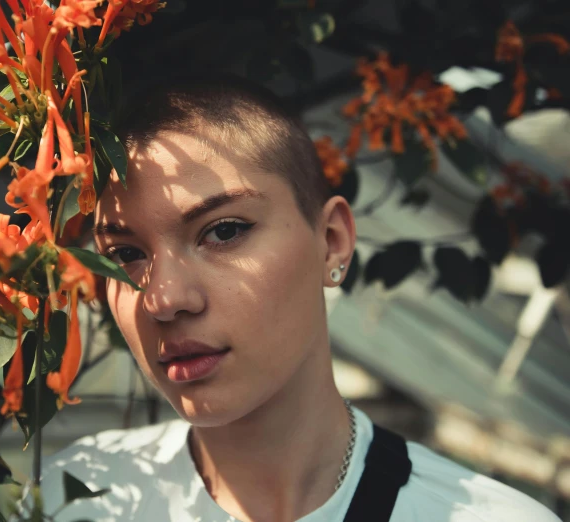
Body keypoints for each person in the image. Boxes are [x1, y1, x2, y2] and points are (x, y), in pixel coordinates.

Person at [29, 75, 561, 522]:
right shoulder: (73, 498)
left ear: (332, 242)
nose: (164, 299)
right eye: (124, 256)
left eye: (224, 231)